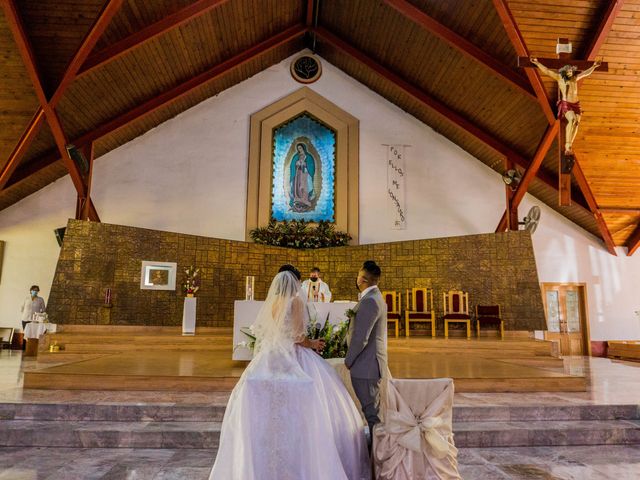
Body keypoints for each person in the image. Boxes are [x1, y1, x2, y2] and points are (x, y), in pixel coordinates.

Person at [209, 271, 370, 479]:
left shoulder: (274, 302)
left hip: (271, 354)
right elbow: (298, 336)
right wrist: (314, 344)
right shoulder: (295, 302)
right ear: (295, 283)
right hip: (291, 356)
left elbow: (274, 332)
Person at [345, 261, 388, 445]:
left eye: (358, 275)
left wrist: (348, 360)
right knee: (372, 412)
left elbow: (360, 338)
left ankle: (378, 460)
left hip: (366, 366)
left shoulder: (370, 301)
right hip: (369, 364)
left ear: (362, 279)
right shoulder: (375, 297)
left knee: (372, 415)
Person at [530, 57, 602, 154]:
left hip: (576, 104)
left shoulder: (574, 79)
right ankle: (567, 146)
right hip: (567, 104)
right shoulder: (559, 78)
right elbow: (547, 71)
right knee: (572, 120)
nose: (571, 72)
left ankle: (570, 145)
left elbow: (585, 73)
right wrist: (537, 63)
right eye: (569, 71)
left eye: (571, 71)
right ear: (564, 72)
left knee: (576, 123)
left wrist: (594, 66)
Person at [289, 142, 316, 211]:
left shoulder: (308, 156)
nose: (299, 149)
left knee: (304, 186)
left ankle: (304, 200)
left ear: (303, 148)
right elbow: (292, 166)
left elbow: (311, 165)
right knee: (297, 186)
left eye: (300, 148)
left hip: (305, 173)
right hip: (298, 173)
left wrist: (305, 164)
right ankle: (298, 201)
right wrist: (296, 163)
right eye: (298, 148)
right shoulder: (296, 156)